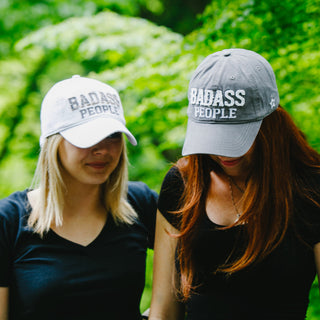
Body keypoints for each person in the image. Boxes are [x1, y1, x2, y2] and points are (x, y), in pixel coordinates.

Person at [149, 48, 320, 320]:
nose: (224, 153)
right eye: (214, 136)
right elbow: (163, 310)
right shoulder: (183, 183)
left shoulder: (311, 187)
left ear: (271, 122)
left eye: (236, 136)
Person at [0, 75, 157, 320]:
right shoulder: (8, 221)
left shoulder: (140, 203)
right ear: (54, 143)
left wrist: (162, 313)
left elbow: (208, 259)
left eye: (113, 136)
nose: (103, 150)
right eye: (89, 137)